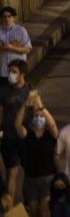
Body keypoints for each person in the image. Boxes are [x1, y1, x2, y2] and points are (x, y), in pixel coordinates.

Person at [14, 90, 58, 216]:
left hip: (47, 178)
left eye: (41, 117)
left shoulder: (50, 135)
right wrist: (25, 105)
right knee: (34, 212)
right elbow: (17, 125)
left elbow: (53, 125)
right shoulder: (28, 134)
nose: (38, 118)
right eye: (36, 116)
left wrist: (41, 107)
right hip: (30, 179)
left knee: (44, 212)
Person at [0, 58, 31, 196]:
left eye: (14, 72)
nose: (10, 74)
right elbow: (1, 112)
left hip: (26, 137)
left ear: (22, 74)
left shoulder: (31, 91)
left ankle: (29, 201)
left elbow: (37, 114)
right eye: (9, 71)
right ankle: (10, 206)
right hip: (9, 137)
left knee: (29, 171)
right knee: (11, 171)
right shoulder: (4, 91)